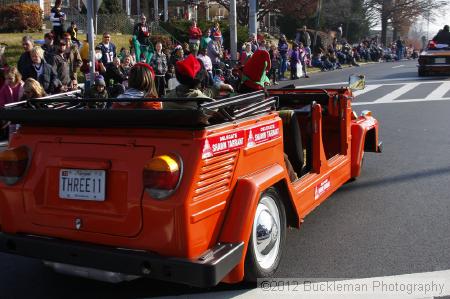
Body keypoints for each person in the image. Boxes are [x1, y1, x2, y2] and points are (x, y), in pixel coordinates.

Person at [164, 54, 232, 110]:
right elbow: (199, 95)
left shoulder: (167, 99)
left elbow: (196, 94)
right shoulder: (207, 103)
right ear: (200, 78)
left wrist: (217, 87)